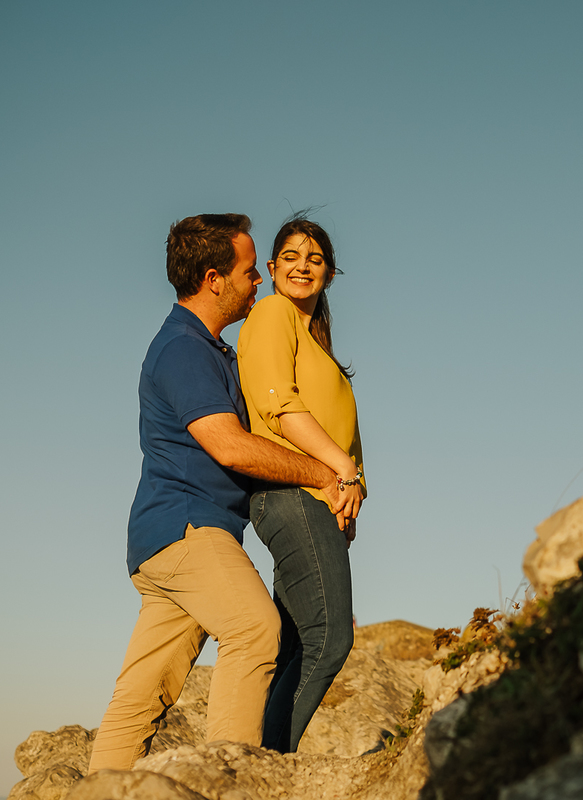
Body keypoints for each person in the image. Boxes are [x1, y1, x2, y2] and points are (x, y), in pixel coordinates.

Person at [87, 213, 343, 773]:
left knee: (139, 698)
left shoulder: (206, 347)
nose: (260, 281)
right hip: (187, 530)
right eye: (251, 272)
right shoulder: (183, 349)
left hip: (166, 540)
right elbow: (229, 446)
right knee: (256, 628)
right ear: (213, 278)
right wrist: (323, 473)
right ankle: (232, 782)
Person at [237, 215, 366, 752]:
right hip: (292, 495)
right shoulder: (271, 313)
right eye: (290, 256)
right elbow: (277, 405)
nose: (302, 266)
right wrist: (344, 471)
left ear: (330, 274)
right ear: (270, 269)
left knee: (294, 646)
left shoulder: (320, 348)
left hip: (320, 503)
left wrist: (351, 499)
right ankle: (272, 764)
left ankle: (264, 759)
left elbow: (346, 434)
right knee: (330, 639)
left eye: (314, 259)